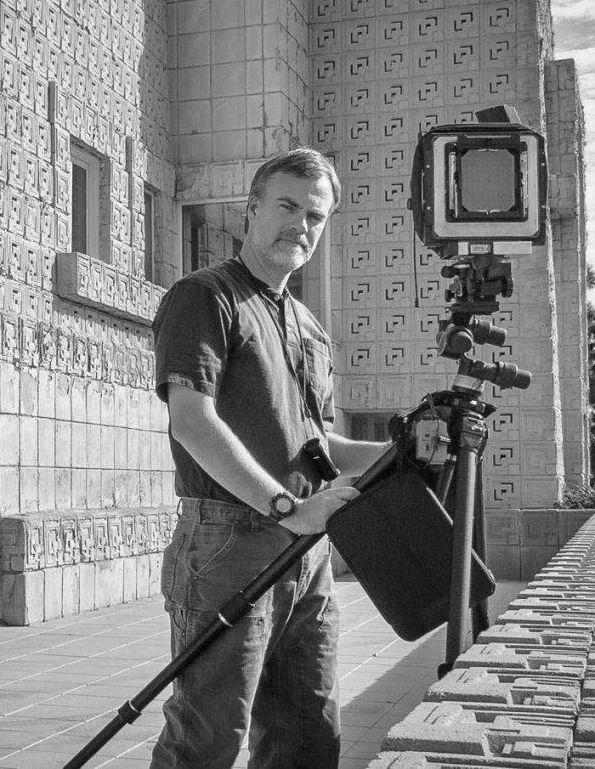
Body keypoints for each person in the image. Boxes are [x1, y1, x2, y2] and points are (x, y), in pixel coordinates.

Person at [150, 149, 388, 769]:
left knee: (307, 736)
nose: (300, 225)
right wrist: (288, 508)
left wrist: (404, 451)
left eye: (315, 215)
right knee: (207, 740)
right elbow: (193, 421)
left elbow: (322, 447)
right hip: (229, 541)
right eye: (287, 206)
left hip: (306, 552)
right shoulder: (205, 296)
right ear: (252, 210)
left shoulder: (308, 325)